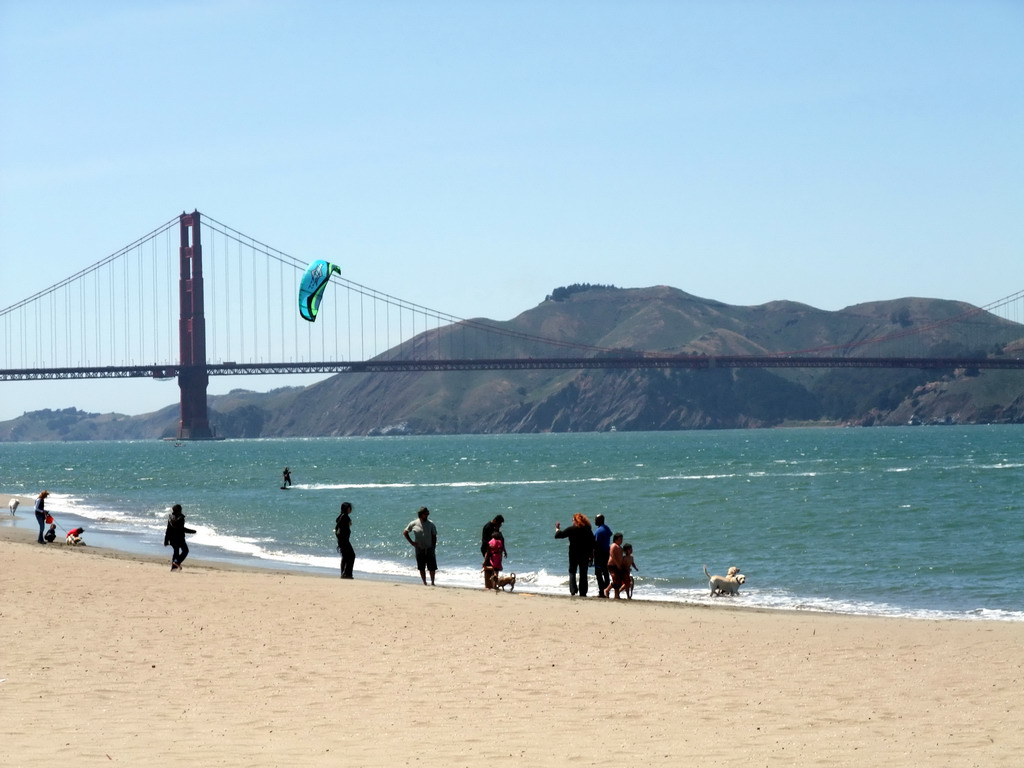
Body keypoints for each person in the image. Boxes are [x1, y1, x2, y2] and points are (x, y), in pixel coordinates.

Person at [554, 513, 595, 597]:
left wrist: (557, 528)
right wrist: (592, 555)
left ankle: (573, 590)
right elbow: (592, 543)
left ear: (575, 521)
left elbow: (558, 535)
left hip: (573, 553)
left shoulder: (572, 529)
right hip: (585, 554)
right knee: (583, 573)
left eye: (573, 520)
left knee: (572, 571)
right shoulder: (587, 529)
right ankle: (583, 592)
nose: (572, 521)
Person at [403, 506, 438, 586]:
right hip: (419, 548)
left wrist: (433, 546)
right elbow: (405, 532)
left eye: (427, 514)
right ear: (421, 514)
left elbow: (434, 535)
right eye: (425, 514)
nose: (427, 515)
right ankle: (424, 583)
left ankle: (432, 582)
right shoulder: (414, 523)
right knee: (421, 567)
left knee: (432, 567)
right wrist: (412, 542)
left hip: (429, 548)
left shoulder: (431, 524)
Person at [164, 504, 196, 571]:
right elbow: (181, 529)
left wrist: (166, 540)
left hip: (172, 538)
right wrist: (192, 531)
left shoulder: (170, 518)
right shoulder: (181, 518)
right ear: (179, 510)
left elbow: (168, 529)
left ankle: (174, 568)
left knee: (176, 552)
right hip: (180, 538)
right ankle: (177, 562)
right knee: (185, 551)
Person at [593, 514, 613, 598]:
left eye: (596, 519)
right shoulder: (606, 528)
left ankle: (602, 591)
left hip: (599, 553)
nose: (595, 521)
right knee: (605, 572)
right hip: (606, 552)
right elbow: (610, 534)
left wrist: (592, 554)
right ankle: (606, 590)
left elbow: (596, 544)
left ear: (600, 520)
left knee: (598, 573)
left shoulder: (599, 531)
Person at [335, 501, 355, 579]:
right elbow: (341, 528)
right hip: (344, 540)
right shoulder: (344, 517)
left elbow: (338, 528)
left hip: (341, 540)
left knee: (345, 557)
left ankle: (344, 574)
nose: (350, 509)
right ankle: (347, 574)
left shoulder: (341, 516)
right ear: (346, 509)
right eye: (349, 508)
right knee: (351, 556)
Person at [605, 533, 626, 599]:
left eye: (622, 539)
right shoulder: (613, 545)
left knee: (618, 580)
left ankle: (616, 595)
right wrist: (617, 564)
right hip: (612, 565)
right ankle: (607, 590)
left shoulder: (620, 547)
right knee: (615, 579)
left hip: (618, 566)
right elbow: (612, 555)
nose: (621, 540)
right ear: (616, 539)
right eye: (620, 539)